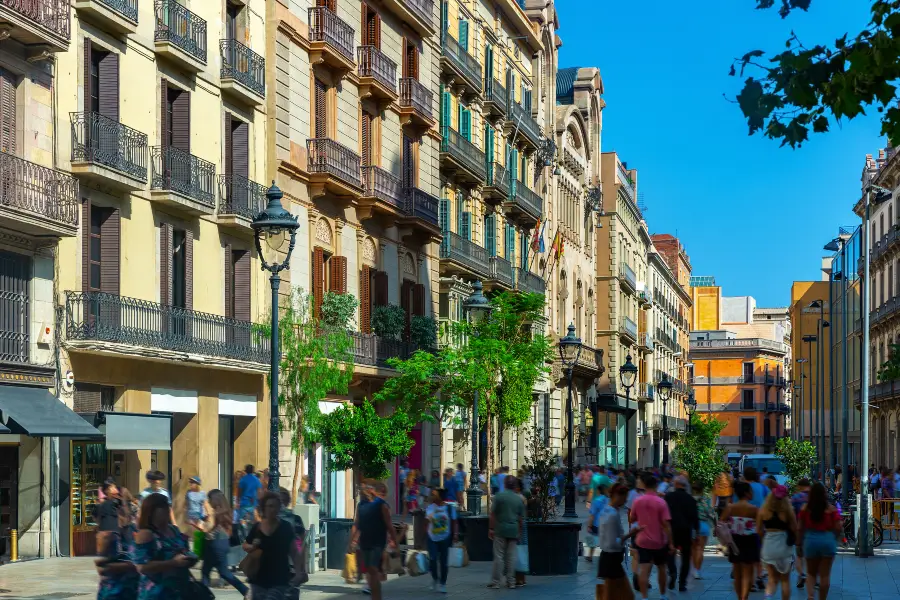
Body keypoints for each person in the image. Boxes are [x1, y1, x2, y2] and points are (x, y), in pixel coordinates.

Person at [242, 491, 305, 600]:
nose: (273, 509)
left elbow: (294, 551)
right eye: (270, 506)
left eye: (276, 506)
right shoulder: (257, 528)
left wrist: (299, 571)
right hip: (259, 578)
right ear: (264, 508)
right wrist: (252, 547)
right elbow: (245, 545)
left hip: (279, 578)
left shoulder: (286, 527)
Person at [133, 493, 194, 600]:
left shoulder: (174, 530)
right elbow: (142, 567)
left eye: (168, 505)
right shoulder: (146, 534)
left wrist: (189, 558)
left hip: (179, 590)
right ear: (152, 511)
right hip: (156, 593)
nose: (168, 510)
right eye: (163, 506)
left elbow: (183, 551)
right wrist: (173, 563)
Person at [629, 473, 675, 600]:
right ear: (656, 486)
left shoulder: (638, 501)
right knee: (661, 568)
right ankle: (662, 595)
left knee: (643, 569)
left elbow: (632, 519)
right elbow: (666, 525)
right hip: (659, 541)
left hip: (642, 540)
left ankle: (644, 597)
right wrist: (671, 543)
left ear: (644, 486)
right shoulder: (661, 502)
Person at [596, 483, 643, 600]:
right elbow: (613, 543)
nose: (626, 500)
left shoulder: (607, 511)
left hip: (609, 559)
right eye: (625, 497)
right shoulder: (612, 515)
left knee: (616, 595)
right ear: (618, 495)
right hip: (611, 560)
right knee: (621, 595)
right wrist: (630, 534)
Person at [353, 481, 397, 600]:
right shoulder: (361, 505)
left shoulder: (382, 505)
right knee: (370, 572)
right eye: (361, 490)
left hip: (378, 543)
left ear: (372, 490)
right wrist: (352, 542)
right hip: (365, 542)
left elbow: (389, 526)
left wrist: (395, 543)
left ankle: (376, 597)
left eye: (365, 489)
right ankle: (374, 595)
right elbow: (357, 524)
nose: (362, 492)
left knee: (373, 570)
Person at [201, 489, 248, 596]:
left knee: (205, 572)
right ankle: (246, 591)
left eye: (209, 499)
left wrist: (202, 521)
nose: (208, 501)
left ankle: (203, 595)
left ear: (215, 500)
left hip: (213, 545)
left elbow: (206, 529)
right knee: (224, 573)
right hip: (224, 544)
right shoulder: (227, 511)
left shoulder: (214, 513)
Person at [798, 482, 841, 600]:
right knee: (825, 575)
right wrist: (833, 538)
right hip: (827, 540)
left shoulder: (805, 508)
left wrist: (798, 544)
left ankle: (811, 595)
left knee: (811, 573)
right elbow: (838, 527)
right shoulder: (831, 509)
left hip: (810, 541)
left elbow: (800, 528)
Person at [96, 483, 139, 600]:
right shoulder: (110, 535)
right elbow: (103, 565)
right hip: (115, 587)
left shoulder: (133, 530)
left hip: (129, 586)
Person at [722, 481, 760, 600]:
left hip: (735, 541)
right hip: (750, 540)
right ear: (747, 493)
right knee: (748, 572)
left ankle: (740, 598)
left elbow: (721, 522)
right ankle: (745, 597)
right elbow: (759, 528)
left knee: (737, 573)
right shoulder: (754, 509)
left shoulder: (730, 507)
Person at [758, 484, 796, 600]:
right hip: (784, 546)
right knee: (785, 580)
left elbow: (758, 530)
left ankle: (768, 597)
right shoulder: (788, 511)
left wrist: (764, 539)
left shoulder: (763, 510)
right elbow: (795, 528)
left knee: (772, 579)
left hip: (769, 545)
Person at [487, 476, 525, 590]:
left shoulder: (499, 496)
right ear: (514, 485)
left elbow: (492, 514)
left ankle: (496, 582)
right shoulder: (519, 499)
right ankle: (511, 582)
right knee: (511, 557)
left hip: (500, 529)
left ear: (504, 484)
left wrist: (491, 529)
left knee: (498, 556)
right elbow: (521, 518)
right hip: (513, 529)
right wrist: (519, 532)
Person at [664, 476, 698, 592]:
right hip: (686, 531)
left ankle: (672, 571)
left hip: (672, 530)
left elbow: (664, 516)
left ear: (675, 484)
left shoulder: (668, 497)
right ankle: (682, 583)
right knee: (686, 557)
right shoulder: (691, 500)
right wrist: (696, 533)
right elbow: (695, 518)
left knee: (670, 553)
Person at [426, 487, 457, 593]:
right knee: (433, 559)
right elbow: (427, 521)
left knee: (444, 562)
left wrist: (455, 534)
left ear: (440, 497)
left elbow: (454, 522)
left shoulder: (449, 508)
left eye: (434, 495)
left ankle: (443, 583)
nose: (432, 496)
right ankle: (435, 578)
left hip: (445, 538)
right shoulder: (430, 507)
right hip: (432, 538)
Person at [691, 481, 715, 580]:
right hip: (703, 525)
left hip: (692, 525)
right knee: (701, 549)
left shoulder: (690, 499)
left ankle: (694, 568)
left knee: (693, 549)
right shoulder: (706, 499)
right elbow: (710, 513)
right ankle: (698, 570)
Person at [790, 478, 811, 588]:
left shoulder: (795, 498)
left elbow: (790, 514)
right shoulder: (815, 497)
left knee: (799, 555)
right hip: (814, 531)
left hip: (800, 530)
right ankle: (812, 576)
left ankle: (801, 574)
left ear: (800, 486)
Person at [184, 476, 210, 556]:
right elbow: (186, 505)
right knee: (190, 535)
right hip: (191, 516)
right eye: (190, 482)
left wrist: (208, 513)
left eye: (193, 482)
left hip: (200, 517)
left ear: (197, 484)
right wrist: (185, 516)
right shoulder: (188, 493)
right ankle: (189, 551)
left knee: (201, 533)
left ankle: (201, 551)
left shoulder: (202, 494)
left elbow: (205, 504)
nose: (191, 484)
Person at [584, 481, 609, 563]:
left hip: (597, 524)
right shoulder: (609, 500)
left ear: (598, 491)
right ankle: (605, 556)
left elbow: (592, 515)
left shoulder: (596, 501)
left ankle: (590, 556)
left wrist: (589, 526)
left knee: (593, 539)